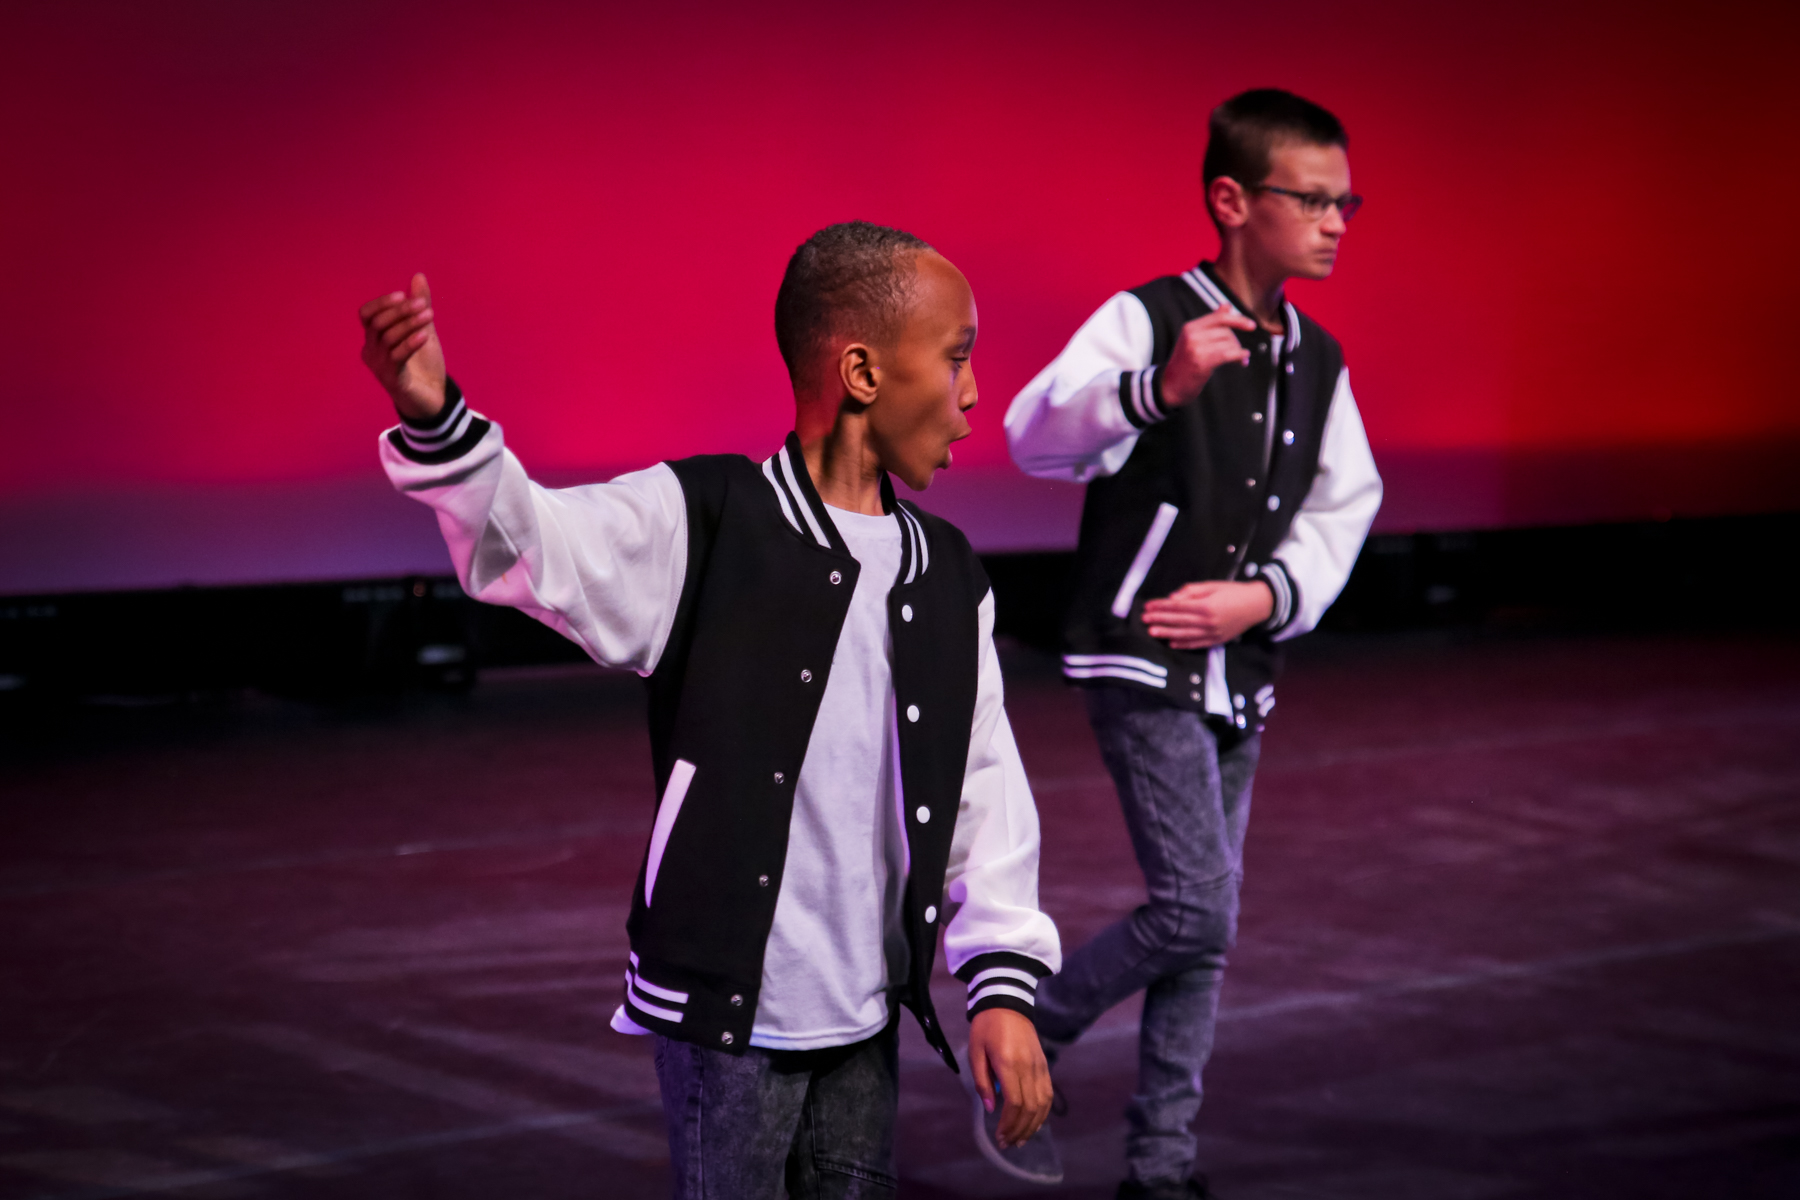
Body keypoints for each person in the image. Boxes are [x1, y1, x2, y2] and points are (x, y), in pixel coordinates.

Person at [357, 221, 1060, 1199]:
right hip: (729, 1021)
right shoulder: (706, 518)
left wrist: (1002, 986)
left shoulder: (946, 574)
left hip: (866, 1018)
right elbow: (541, 545)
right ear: (862, 371)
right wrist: (441, 422)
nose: (974, 393)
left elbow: (985, 791)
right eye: (956, 357)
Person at [1001, 89, 1384, 1198]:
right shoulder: (1151, 317)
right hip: (1141, 653)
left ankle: (1160, 1168)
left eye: (1344, 200)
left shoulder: (1320, 358)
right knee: (1194, 907)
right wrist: (1155, 389)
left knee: (1203, 931)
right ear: (1232, 200)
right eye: (1311, 199)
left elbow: (1342, 506)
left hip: (1236, 667)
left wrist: (1263, 599)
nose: (1335, 220)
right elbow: (1035, 434)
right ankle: (1036, 1033)